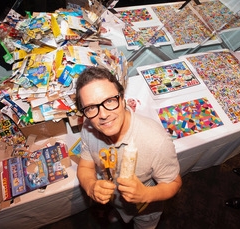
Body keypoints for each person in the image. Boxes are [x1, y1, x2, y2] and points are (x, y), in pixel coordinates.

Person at [75, 66, 182, 229]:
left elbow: (174, 182)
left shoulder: (156, 140)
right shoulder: (89, 128)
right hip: (115, 201)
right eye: (91, 107)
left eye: (109, 101)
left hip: (145, 210)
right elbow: (85, 166)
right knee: (118, 214)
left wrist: (146, 194)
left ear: (122, 98)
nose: (103, 115)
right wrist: (90, 186)